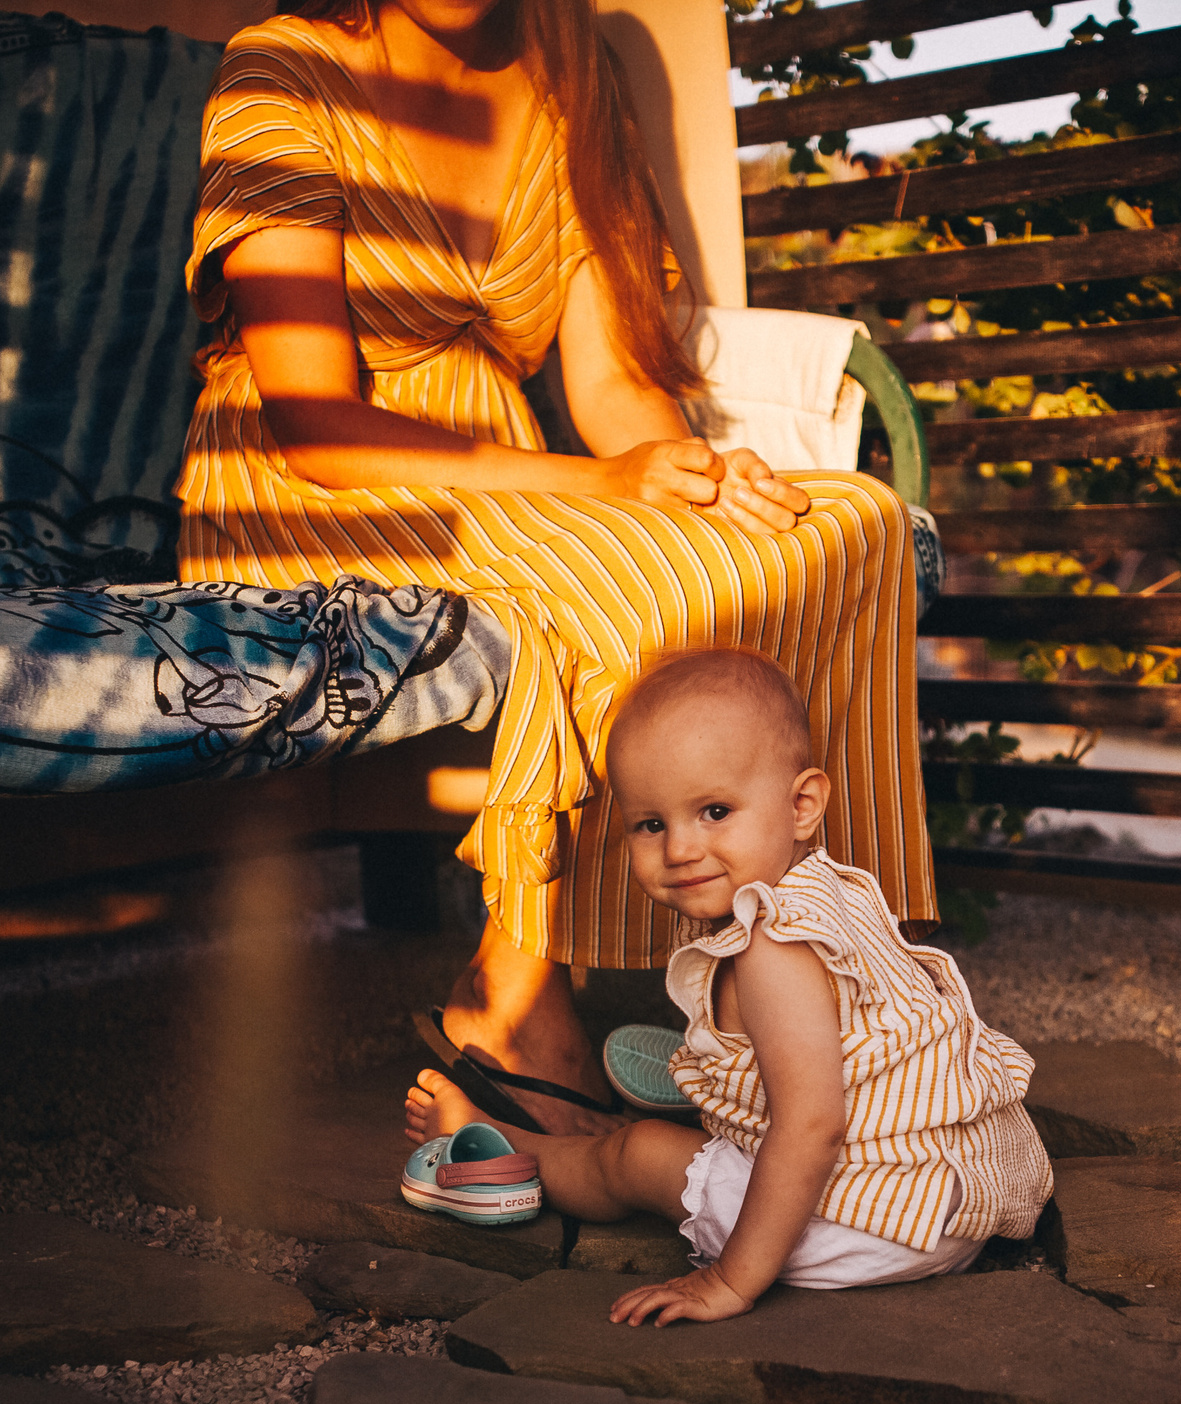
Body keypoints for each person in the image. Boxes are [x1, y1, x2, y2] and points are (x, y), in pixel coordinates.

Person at [177, 0, 935, 1131]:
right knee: (640, 579)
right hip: (308, 492)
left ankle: (826, 970)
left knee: (847, 526)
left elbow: (612, 388)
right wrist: (601, 488)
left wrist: (692, 474)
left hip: (509, 478)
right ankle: (519, 1003)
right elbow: (317, 425)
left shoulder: (572, 75)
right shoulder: (285, 66)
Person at [410, 650, 1054, 1325]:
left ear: (803, 804)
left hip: (873, 1229)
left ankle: (508, 1144)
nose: (681, 848)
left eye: (714, 810)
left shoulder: (773, 946)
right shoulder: (833, 889)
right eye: (651, 823)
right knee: (760, 1090)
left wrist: (731, 1280)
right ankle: (728, 1079)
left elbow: (812, 1126)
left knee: (638, 1154)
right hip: (954, 1191)